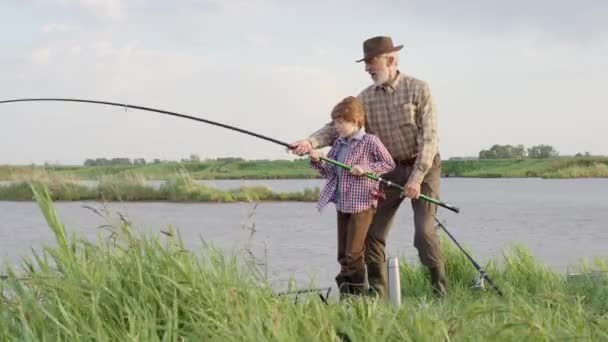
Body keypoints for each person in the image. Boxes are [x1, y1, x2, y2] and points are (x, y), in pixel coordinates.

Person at [291, 36, 447, 297]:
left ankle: (440, 292)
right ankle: (378, 296)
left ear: (391, 60)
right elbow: (337, 127)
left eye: (371, 62)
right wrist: (309, 142)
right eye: (365, 63)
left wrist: (417, 178)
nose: (367, 68)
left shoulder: (419, 89)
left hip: (424, 167)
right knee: (373, 234)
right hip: (388, 170)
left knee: (424, 232)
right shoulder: (364, 98)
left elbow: (429, 138)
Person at [308, 96, 395, 297]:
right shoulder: (338, 144)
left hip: (362, 205)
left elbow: (388, 164)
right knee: (342, 254)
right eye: (336, 122)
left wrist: (365, 169)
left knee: (354, 254)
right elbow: (329, 171)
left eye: (341, 122)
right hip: (342, 204)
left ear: (355, 121)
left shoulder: (370, 141)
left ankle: (356, 296)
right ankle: (349, 297)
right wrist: (317, 159)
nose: (336, 127)